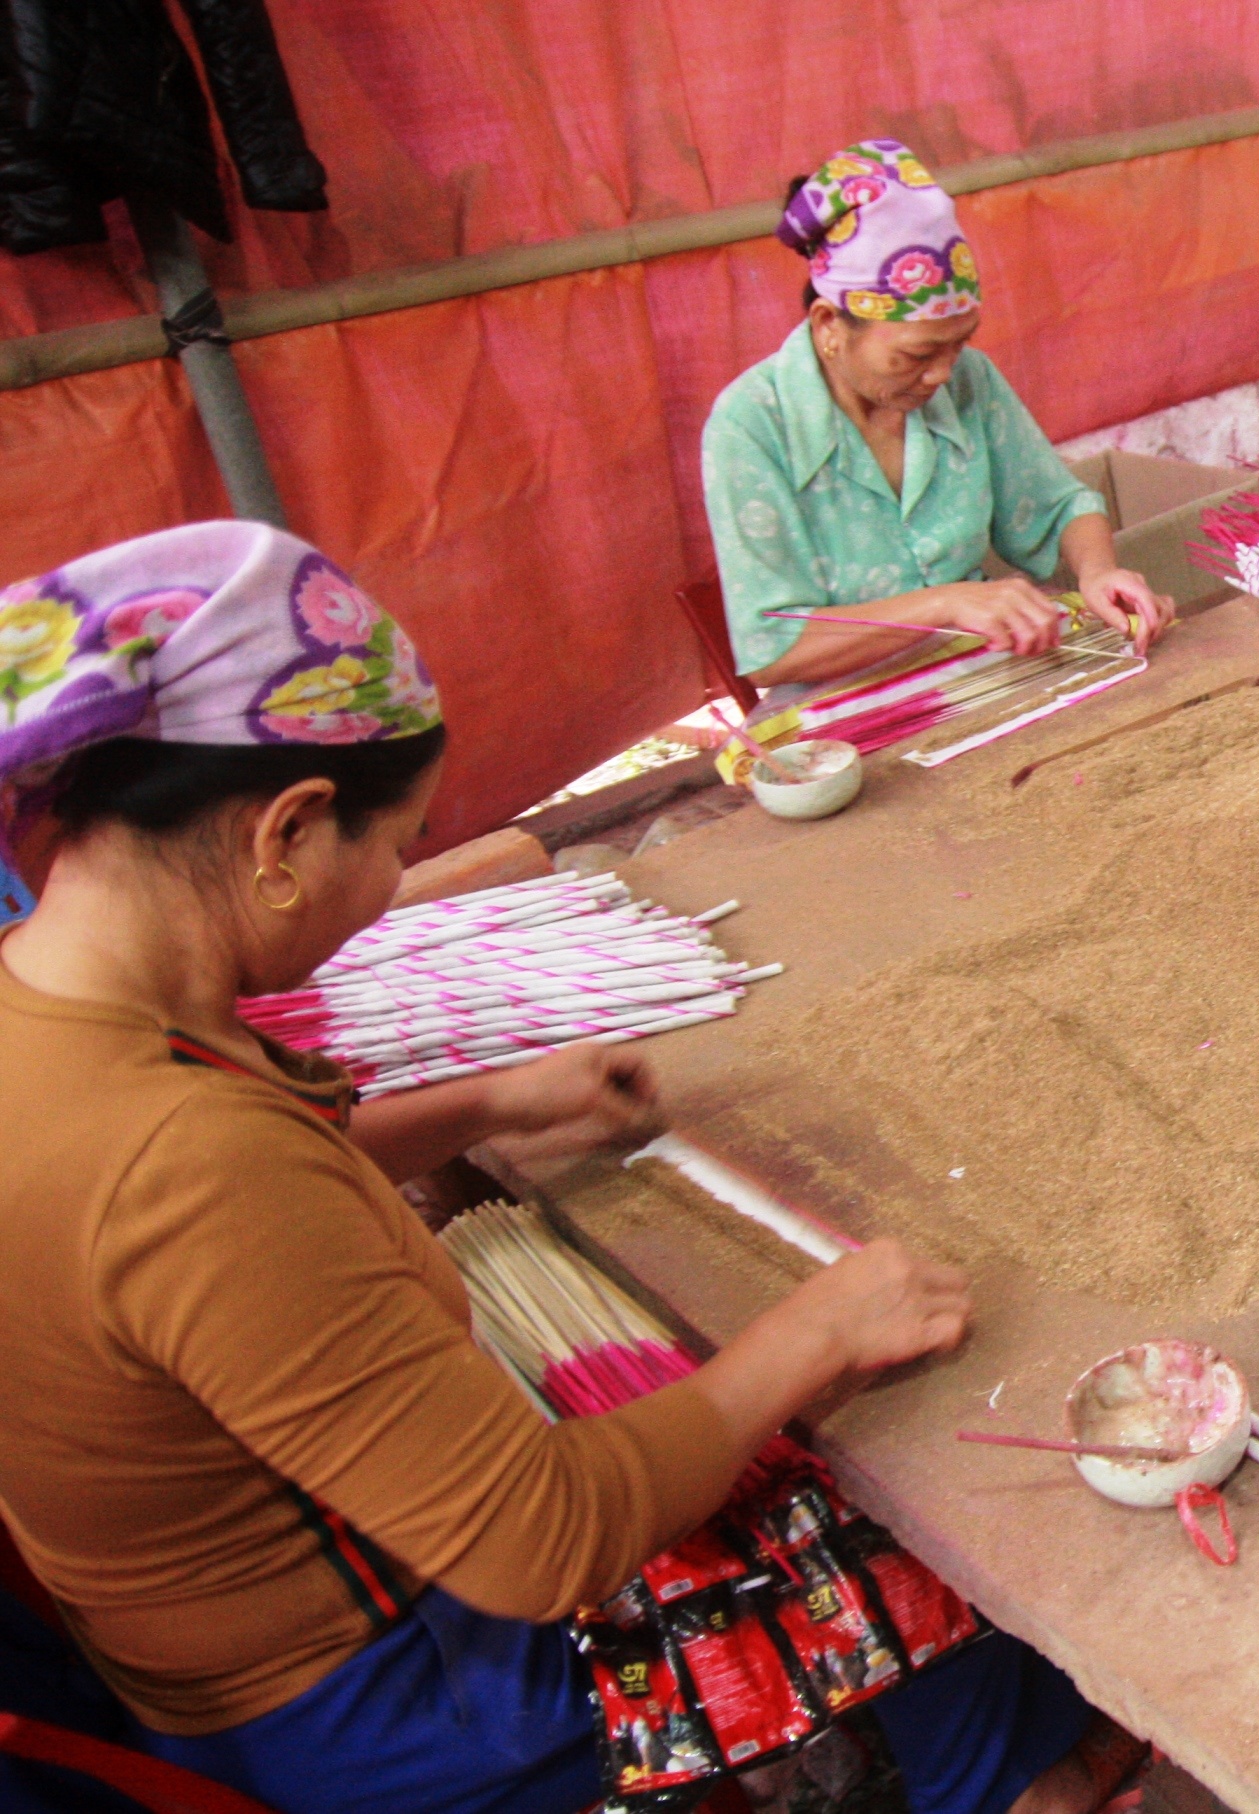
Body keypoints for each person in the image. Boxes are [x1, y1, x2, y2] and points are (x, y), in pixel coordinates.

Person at [0, 523, 1140, 1814]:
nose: (389, 886)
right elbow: (541, 1542)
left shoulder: (48, 1008)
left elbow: (236, 1216)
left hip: (194, 1635)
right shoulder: (189, 1162)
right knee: (903, 1496)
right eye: (396, 844)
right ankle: (1017, 1779)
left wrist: (480, 1101)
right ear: (286, 830)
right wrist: (815, 1329)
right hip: (378, 1695)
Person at [702, 140, 1171, 694]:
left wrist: (1098, 571)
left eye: (959, 344)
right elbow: (772, 650)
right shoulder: (751, 425)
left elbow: (1059, 507)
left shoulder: (969, 377)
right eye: (917, 355)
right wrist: (945, 603)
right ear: (829, 325)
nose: (943, 374)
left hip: (984, 680)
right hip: (843, 717)